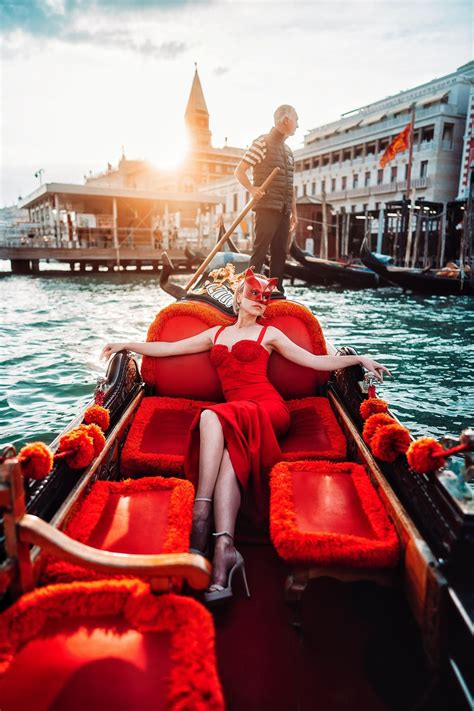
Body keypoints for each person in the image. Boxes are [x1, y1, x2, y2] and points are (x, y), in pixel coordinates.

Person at [101, 269, 391, 603]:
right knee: (228, 457)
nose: (259, 301)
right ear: (238, 297)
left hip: (268, 409)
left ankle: (200, 513)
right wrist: (125, 343)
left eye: (264, 297)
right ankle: (225, 548)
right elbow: (168, 349)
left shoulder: (269, 334)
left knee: (210, 415)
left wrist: (360, 358)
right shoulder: (216, 334)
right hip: (237, 416)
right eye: (252, 295)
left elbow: (313, 361)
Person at [234, 105, 299, 292]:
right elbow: (239, 170)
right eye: (296, 119)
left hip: (284, 209)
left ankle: (276, 292)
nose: (298, 125)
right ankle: (249, 291)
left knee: (280, 253)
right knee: (260, 251)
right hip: (267, 207)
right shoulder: (262, 142)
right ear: (286, 120)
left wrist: (294, 213)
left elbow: (290, 185)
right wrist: (252, 189)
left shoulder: (288, 151)